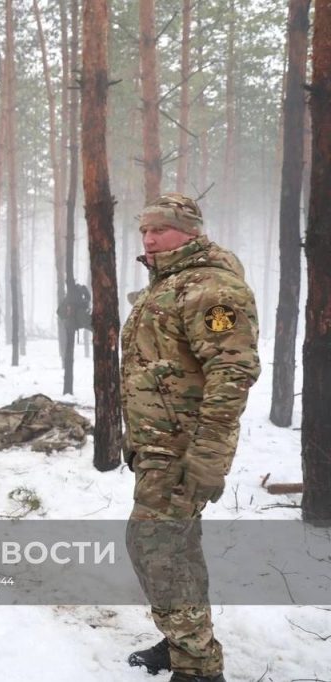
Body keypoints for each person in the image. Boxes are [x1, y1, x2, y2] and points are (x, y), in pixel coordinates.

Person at [121, 193, 260, 682]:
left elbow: (232, 372)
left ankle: (197, 666)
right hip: (160, 445)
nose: (149, 238)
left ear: (191, 231)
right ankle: (182, 643)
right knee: (173, 547)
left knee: (155, 545)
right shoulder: (170, 282)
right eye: (144, 230)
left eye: (160, 229)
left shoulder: (211, 287)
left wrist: (207, 454)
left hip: (185, 448)